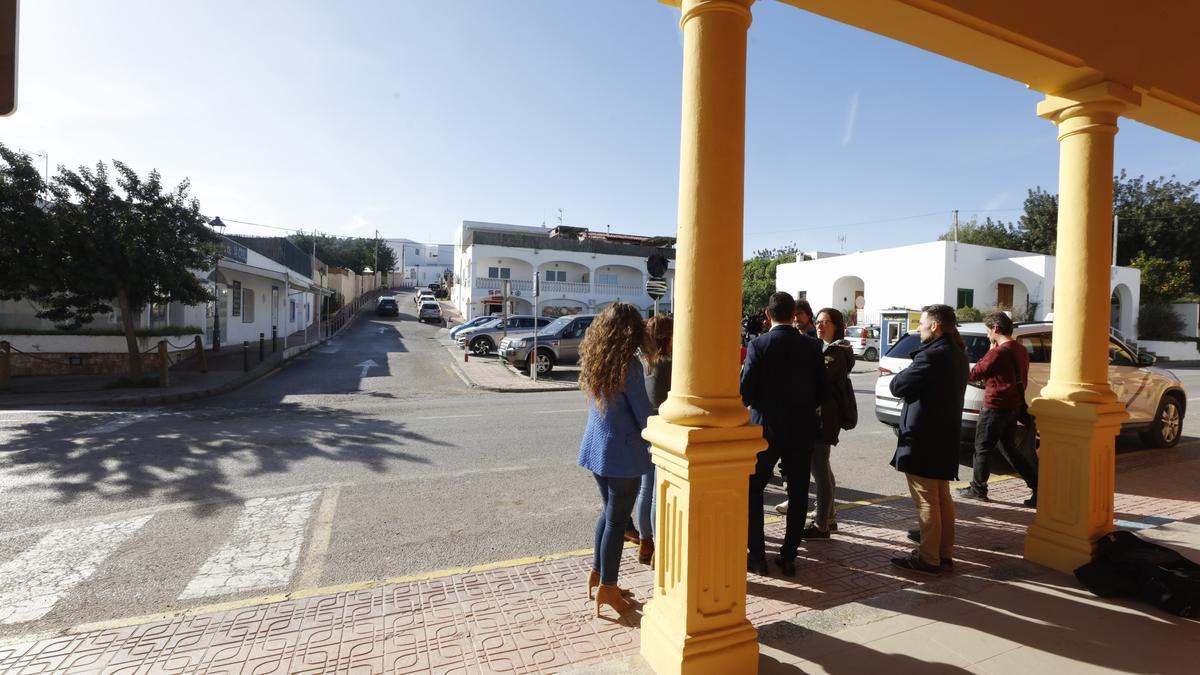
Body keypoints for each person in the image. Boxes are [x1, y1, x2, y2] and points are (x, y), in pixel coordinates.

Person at [741, 292, 825, 577]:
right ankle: (788, 556)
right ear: (794, 315)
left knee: (754, 489)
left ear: (767, 314)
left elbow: (746, 390)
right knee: (800, 491)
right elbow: (821, 392)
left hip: (765, 427)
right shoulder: (813, 346)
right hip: (801, 427)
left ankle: (758, 557)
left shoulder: (759, 344)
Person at [577, 303, 653, 617]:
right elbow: (644, 416)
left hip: (597, 449)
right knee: (617, 521)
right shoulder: (629, 365)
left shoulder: (599, 359)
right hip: (621, 455)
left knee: (610, 515)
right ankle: (608, 586)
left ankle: (598, 574)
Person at [888, 304, 968, 576]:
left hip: (924, 439)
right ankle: (943, 554)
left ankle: (928, 558)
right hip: (944, 438)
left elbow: (898, 385)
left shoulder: (932, 356)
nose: (919, 328)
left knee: (927, 501)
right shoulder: (957, 353)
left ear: (935, 326)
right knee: (942, 498)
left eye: (922, 324)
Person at [959, 312, 1039, 507]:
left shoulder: (997, 352)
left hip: (995, 406)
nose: (987, 335)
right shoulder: (1020, 349)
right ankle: (1038, 486)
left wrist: (988, 351)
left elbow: (974, 373)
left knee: (982, 447)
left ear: (995, 328)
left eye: (987, 331)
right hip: (1013, 406)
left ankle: (978, 488)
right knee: (1009, 448)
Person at [801, 308, 856, 540]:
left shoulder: (837, 351)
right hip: (823, 414)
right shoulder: (825, 347)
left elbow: (818, 378)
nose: (820, 326)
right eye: (818, 321)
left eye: (826, 322)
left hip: (825, 417)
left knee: (819, 469)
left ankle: (821, 525)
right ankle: (829, 517)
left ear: (837, 325)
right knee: (823, 467)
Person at [634, 315, 673, 567]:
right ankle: (658, 546)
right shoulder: (669, 364)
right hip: (663, 430)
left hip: (645, 429)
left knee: (645, 490)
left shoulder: (643, 363)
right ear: (669, 337)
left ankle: (645, 542)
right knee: (657, 493)